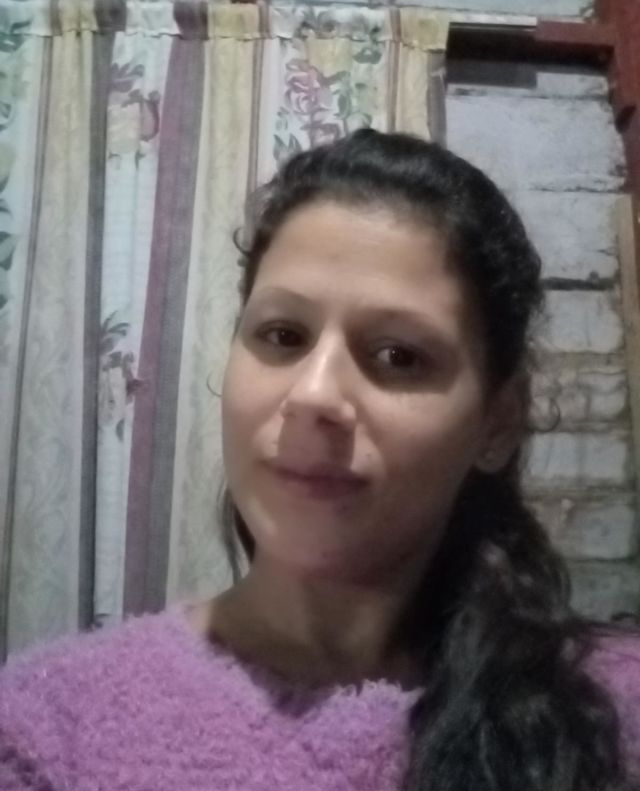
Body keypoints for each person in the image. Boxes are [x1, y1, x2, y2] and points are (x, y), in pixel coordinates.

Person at [1, 129, 639, 791]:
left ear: (498, 422)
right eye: (282, 335)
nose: (313, 395)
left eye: (398, 355)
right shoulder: (48, 733)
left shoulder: (611, 718)